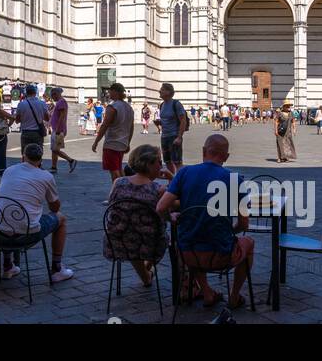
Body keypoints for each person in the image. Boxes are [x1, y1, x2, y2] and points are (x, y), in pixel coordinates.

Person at [157, 134, 254, 308]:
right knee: (249, 243)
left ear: (203, 151)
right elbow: (243, 225)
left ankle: (207, 291)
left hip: (188, 255)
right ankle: (234, 296)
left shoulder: (184, 173)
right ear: (226, 157)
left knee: (193, 235)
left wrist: (171, 219)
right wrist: (229, 230)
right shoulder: (235, 180)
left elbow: (161, 207)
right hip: (222, 255)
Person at [0, 143, 74, 283]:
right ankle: (56, 268)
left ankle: (7, 265)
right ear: (41, 160)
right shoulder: (46, 176)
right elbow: (55, 208)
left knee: (8, 216)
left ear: (22, 158)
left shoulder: (9, 170)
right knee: (60, 219)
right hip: (25, 234)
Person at [103, 144, 167, 286]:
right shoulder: (158, 189)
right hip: (150, 245)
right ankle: (147, 272)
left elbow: (112, 204)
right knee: (158, 233)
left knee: (132, 231)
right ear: (150, 164)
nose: (161, 166)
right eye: (159, 162)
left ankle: (146, 276)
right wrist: (172, 178)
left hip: (117, 243)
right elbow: (169, 210)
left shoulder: (118, 182)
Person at [92, 82, 134, 186]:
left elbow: (105, 125)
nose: (108, 93)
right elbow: (131, 127)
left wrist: (96, 141)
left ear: (115, 92)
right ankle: (124, 192)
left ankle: (119, 194)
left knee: (114, 171)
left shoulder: (113, 107)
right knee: (119, 168)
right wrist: (128, 142)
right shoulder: (129, 108)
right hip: (122, 142)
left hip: (112, 143)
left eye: (110, 91)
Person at [155, 83, 188, 176]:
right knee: (167, 161)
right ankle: (171, 182)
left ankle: (180, 183)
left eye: (162, 89)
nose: (159, 91)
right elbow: (166, 120)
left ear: (168, 92)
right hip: (164, 136)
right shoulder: (162, 105)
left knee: (177, 162)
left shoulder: (176, 104)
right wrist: (159, 123)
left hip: (174, 136)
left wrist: (179, 137)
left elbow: (183, 120)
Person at [48, 87, 76, 174]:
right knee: (54, 148)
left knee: (55, 149)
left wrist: (58, 129)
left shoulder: (61, 102)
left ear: (57, 94)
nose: (52, 97)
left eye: (53, 95)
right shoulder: (60, 102)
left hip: (58, 129)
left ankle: (71, 160)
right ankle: (53, 167)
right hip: (57, 129)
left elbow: (62, 116)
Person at [14, 84, 47, 154]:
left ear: (26, 93)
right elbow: (47, 118)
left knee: (25, 154)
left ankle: (25, 164)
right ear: (35, 93)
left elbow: (17, 121)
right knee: (38, 153)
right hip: (38, 133)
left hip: (26, 133)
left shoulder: (21, 104)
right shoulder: (42, 103)